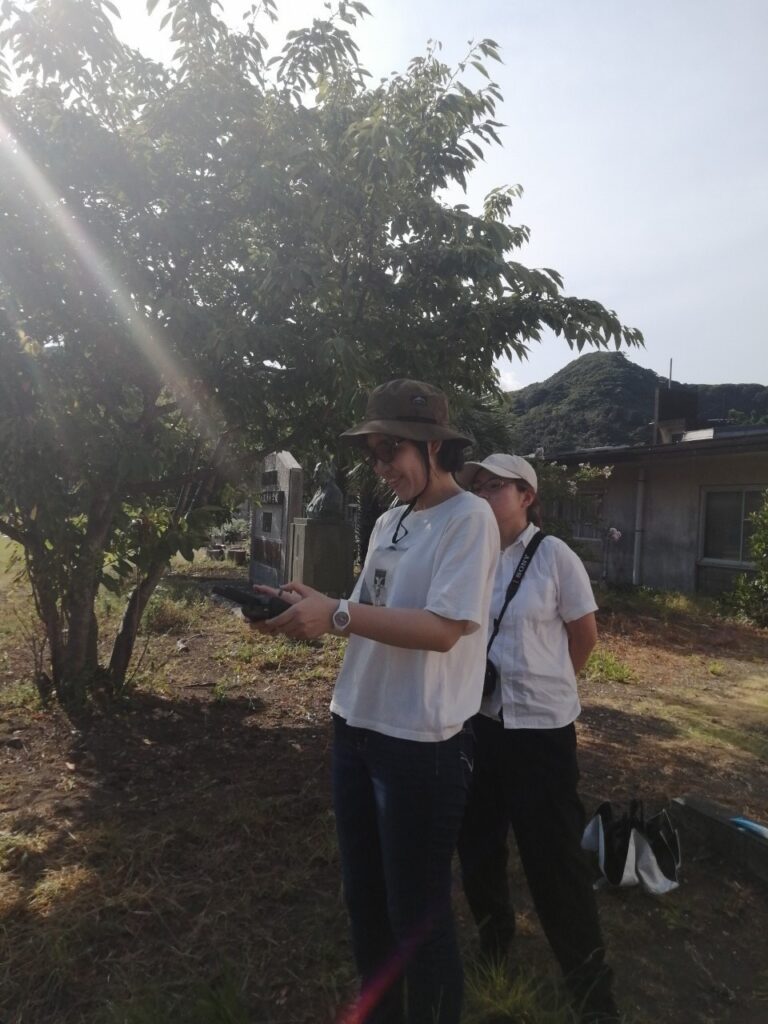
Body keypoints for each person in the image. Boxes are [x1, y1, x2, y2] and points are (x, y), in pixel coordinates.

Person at [251, 380, 499, 1024]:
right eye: (373, 453)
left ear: (435, 445)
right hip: (356, 726)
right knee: (364, 899)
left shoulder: (469, 520)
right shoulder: (391, 519)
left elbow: (444, 629)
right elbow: (370, 609)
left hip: (421, 744)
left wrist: (334, 615)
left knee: (417, 914)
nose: (382, 467)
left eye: (392, 450)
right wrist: (312, 602)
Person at [454, 453, 620, 1024]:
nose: (483, 495)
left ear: (527, 495)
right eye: (477, 487)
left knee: (556, 864)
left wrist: (550, 688)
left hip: (541, 736)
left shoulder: (555, 557)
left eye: (494, 486)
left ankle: (592, 995)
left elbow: (585, 636)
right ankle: (494, 945)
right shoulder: (471, 557)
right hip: (479, 724)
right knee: (477, 845)